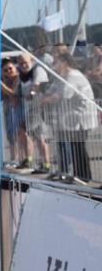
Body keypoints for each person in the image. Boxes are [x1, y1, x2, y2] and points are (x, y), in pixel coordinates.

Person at [43, 54, 95, 182]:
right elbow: (52, 90)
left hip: (81, 118)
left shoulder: (73, 76)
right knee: (75, 146)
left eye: (56, 62)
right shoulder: (63, 76)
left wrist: (47, 99)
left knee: (78, 146)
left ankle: (83, 176)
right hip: (72, 118)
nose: (53, 65)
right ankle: (78, 175)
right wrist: (47, 95)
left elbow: (64, 94)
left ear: (64, 62)